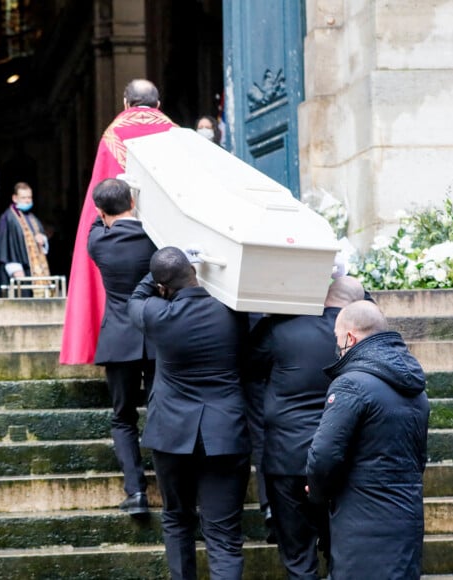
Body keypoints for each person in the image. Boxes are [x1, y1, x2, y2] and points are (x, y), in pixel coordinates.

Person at [128, 247, 251, 580]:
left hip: (171, 433)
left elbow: (135, 299)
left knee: (177, 519)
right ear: (194, 273)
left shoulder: (157, 314)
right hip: (225, 432)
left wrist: (160, 268)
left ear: (163, 287)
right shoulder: (235, 313)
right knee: (224, 536)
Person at [248, 276, 365, 579]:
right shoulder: (359, 337)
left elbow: (248, 365)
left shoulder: (281, 328)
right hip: (341, 458)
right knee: (341, 548)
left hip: (286, 457)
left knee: (297, 555)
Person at [306, 300, 430, 580]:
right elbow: (419, 458)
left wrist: (316, 493)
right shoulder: (415, 388)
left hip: (360, 523)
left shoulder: (351, 384)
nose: (336, 346)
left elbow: (324, 456)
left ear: (350, 337)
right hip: (406, 518)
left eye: (337, 338)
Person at [60, 79, 176, 364]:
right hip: (166, 237)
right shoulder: (175, 134)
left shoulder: (113, 134)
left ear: (126, 103)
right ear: (158, 104)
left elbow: (102, 192)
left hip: (121, 237)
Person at [88, 177, 157, 516]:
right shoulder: (157, 238)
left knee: (123, 417)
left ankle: (136, 492)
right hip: (158, 336)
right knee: (162, 412)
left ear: (101, 211)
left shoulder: (97, 241)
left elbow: (93, 220)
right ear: (133, 201)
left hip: (119, 338)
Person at [0, 182, 50, 297]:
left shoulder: (31, 217)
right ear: (15, 198)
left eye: (29, 197)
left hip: (33, 273)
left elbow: (41, 239)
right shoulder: (9, 218)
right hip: (18, 273)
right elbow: (6, 246)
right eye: (23, 198)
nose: (27, 201)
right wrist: (15, 270)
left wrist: (42, 239)